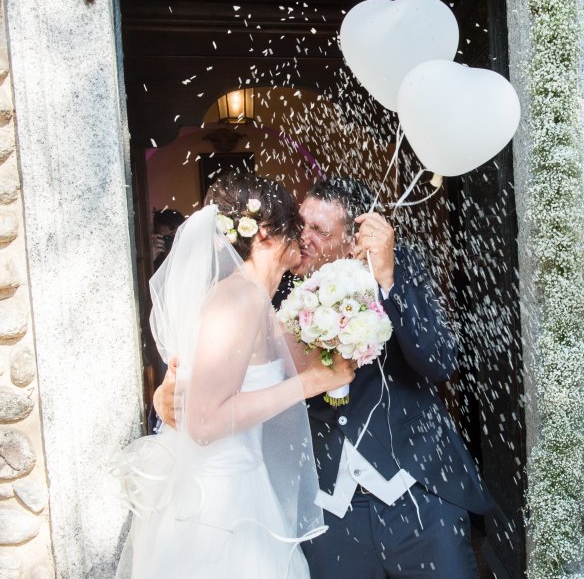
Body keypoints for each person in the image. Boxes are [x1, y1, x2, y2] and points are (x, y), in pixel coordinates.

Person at [156, 177, 493, 578]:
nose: (304, 238)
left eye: (319, 230)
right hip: (328, 506)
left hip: (416, 491)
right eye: (301, 225)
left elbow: (438, 362)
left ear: (353, 241)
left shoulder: (395, 268)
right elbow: (220, 373)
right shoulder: (270, 285)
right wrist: (169, 394)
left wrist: (387, 281)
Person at [114, 173, 355, 579]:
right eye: (295, 228)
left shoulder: (258, 298)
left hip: (247, 486)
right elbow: (206, 421)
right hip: (220, 506)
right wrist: (310, 384)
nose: (303, 238)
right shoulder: (236, 299)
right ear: (263, 233)